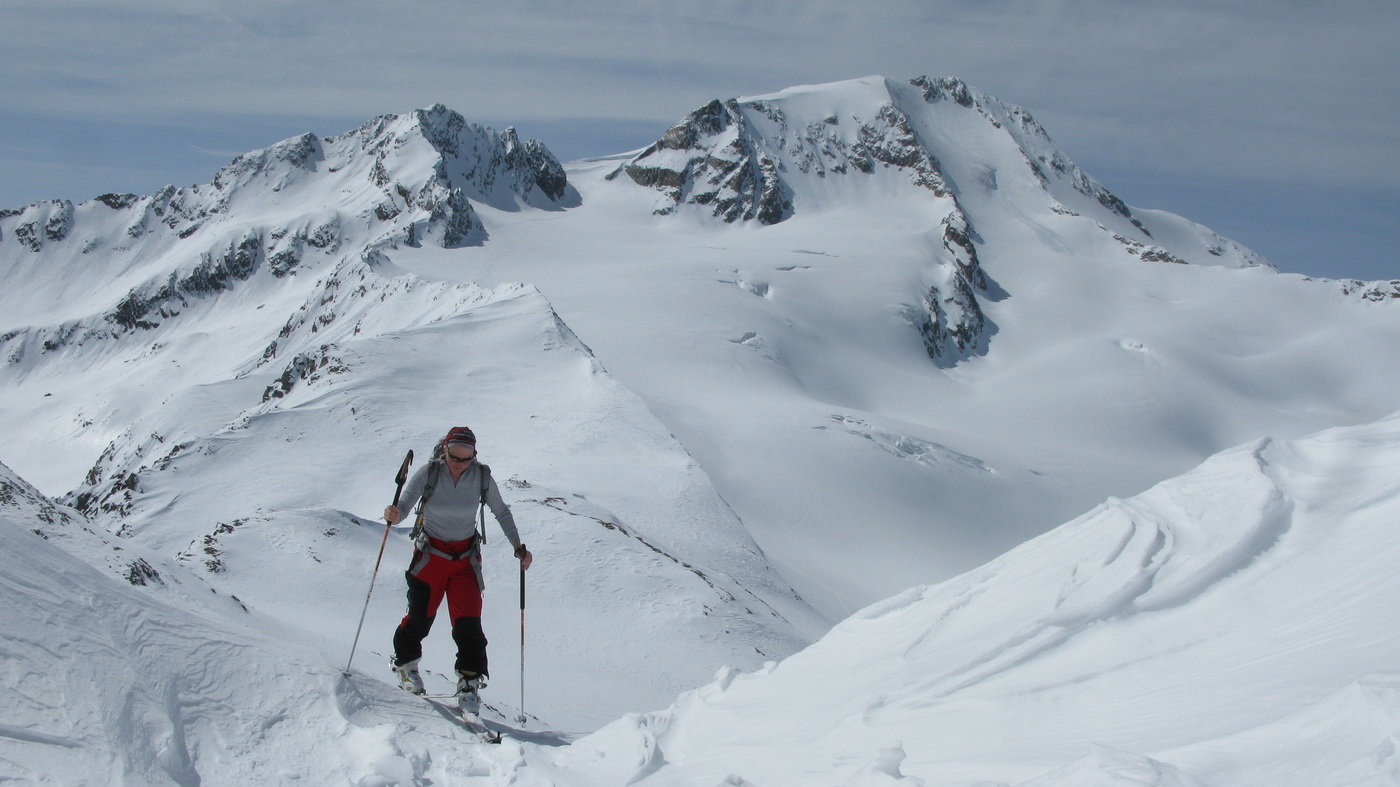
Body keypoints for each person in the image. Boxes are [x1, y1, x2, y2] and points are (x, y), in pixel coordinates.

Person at [383, 426, 533, 716]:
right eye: (455, 456)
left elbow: (501, 511)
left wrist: (518, 546)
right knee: (419, 619)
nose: (459, 463)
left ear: (474, 455)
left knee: (469, 626)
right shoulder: (429, 473)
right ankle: (405, 663)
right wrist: (395, 515)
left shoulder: (482, 477)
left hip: (465, 561)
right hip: (430, 557)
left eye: (466, 458)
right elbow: (403, 507)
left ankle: (469, 682)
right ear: (446, 450)